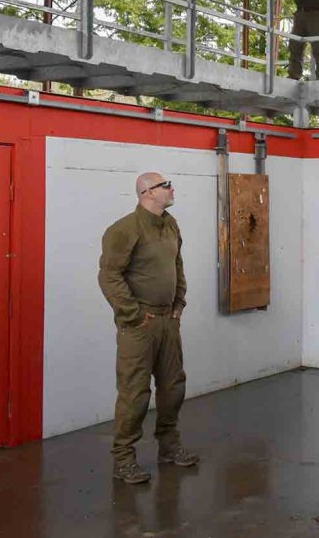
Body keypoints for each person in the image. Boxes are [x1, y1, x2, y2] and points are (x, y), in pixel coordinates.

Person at [98, 172, 199, 484]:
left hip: (168, 320)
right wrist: (132, 314)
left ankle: (169, 446)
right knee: (135, 393)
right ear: (147, 193)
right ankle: (124, 458)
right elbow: (109, 275)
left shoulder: (170, 224)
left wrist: (179, 303)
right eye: (165, 185)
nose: (171, 189)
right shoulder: (124, 229)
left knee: (172, 388)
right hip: (139, 327)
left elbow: (176, 266)